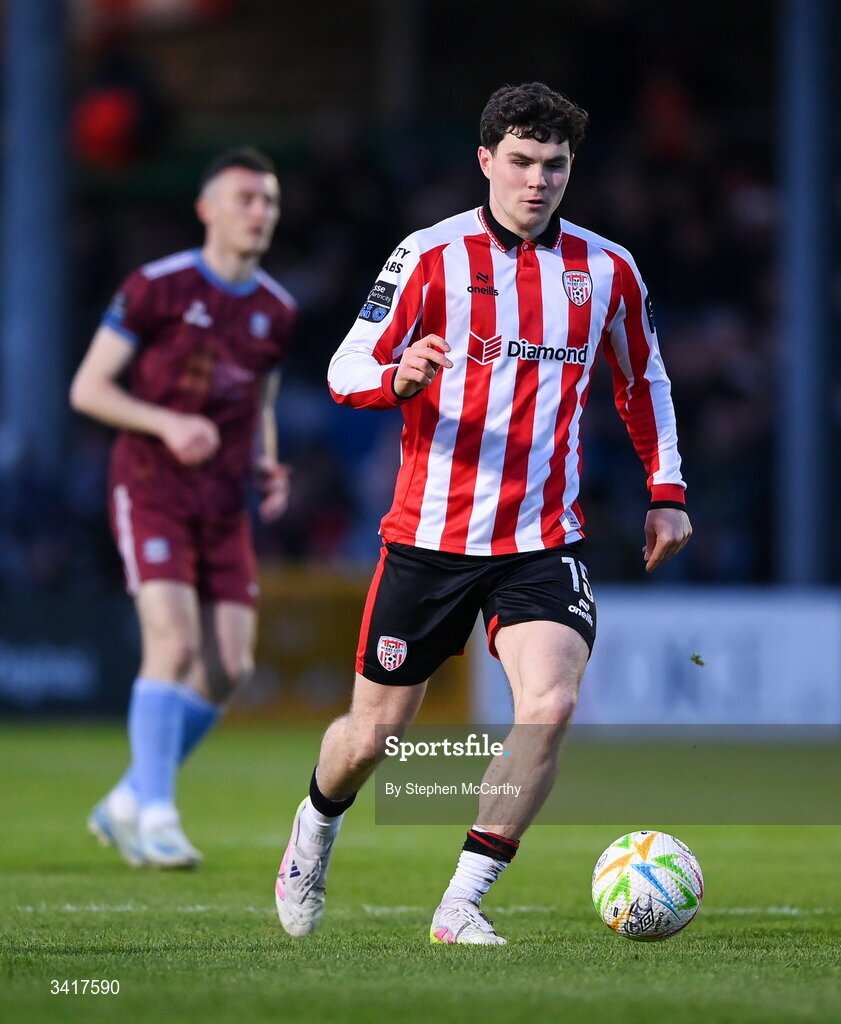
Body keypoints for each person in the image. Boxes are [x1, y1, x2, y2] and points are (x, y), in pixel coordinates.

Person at [274, 83, 691, 943]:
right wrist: (397, 380)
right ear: (485, 161)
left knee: (551, 702)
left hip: (542, 540)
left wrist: (667, 490)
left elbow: (641, 378)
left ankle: (461, 901)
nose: (538, 181)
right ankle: (314, 827)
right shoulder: (429, 256)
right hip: (428, 539)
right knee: (370, 737)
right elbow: (344, 365)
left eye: (555, 166)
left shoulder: (606, 269)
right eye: (522, 162)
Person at [71, 147, 296, 868]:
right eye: (244, 199)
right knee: (172, 645)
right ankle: (158, 816)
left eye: (267, 200)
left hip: (225, 500)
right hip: (151, 486)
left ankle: (128, 798)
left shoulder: (277, 309)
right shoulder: (155, 288)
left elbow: (259, 399)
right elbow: (89, 388)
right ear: (206, 208)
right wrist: (165, 422)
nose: (258, 212)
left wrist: (267, 461)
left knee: (230, 665)